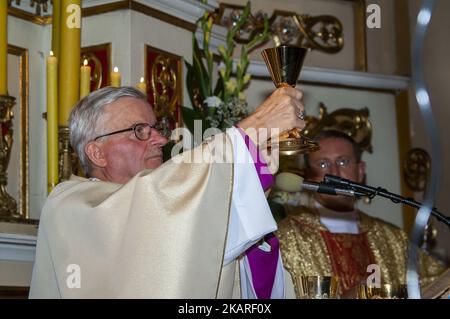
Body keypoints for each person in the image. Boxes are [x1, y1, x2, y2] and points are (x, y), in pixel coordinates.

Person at [29, 86, 304, 298]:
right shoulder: (69, 205)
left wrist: (242, 193)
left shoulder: (160, 201)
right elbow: (152, 208)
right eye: (139, 131)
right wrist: (254, 128)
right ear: (96, 152)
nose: (161, 139)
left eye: (157, 128)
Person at [276, 130, 446, 298]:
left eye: (343, 161)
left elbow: (436, 284)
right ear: (309, 176)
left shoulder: (392, 238)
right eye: (322, 164)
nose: (334, 173)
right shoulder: (285, 237)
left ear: (360, 170)